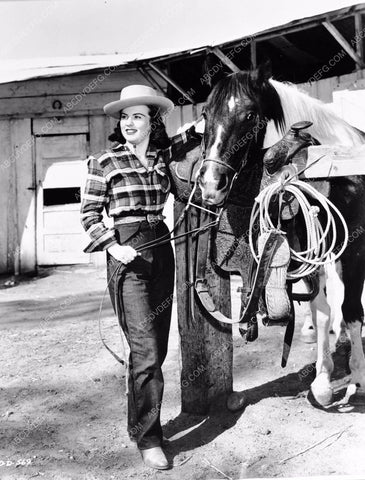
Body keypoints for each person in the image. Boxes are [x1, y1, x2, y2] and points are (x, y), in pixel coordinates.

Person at [80, 85, 201, 470]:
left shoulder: (163, 157)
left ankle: (140, 423)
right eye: (125, 117)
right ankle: (150, 438)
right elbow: (88, 214)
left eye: (138, 116)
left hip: (162, 249)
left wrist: (210, 120)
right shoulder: (104, 162)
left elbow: (196, 135)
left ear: (152, 123)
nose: (129, 123)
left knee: (156, 350)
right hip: (127, 256)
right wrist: (113, 247)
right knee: (146, 351)